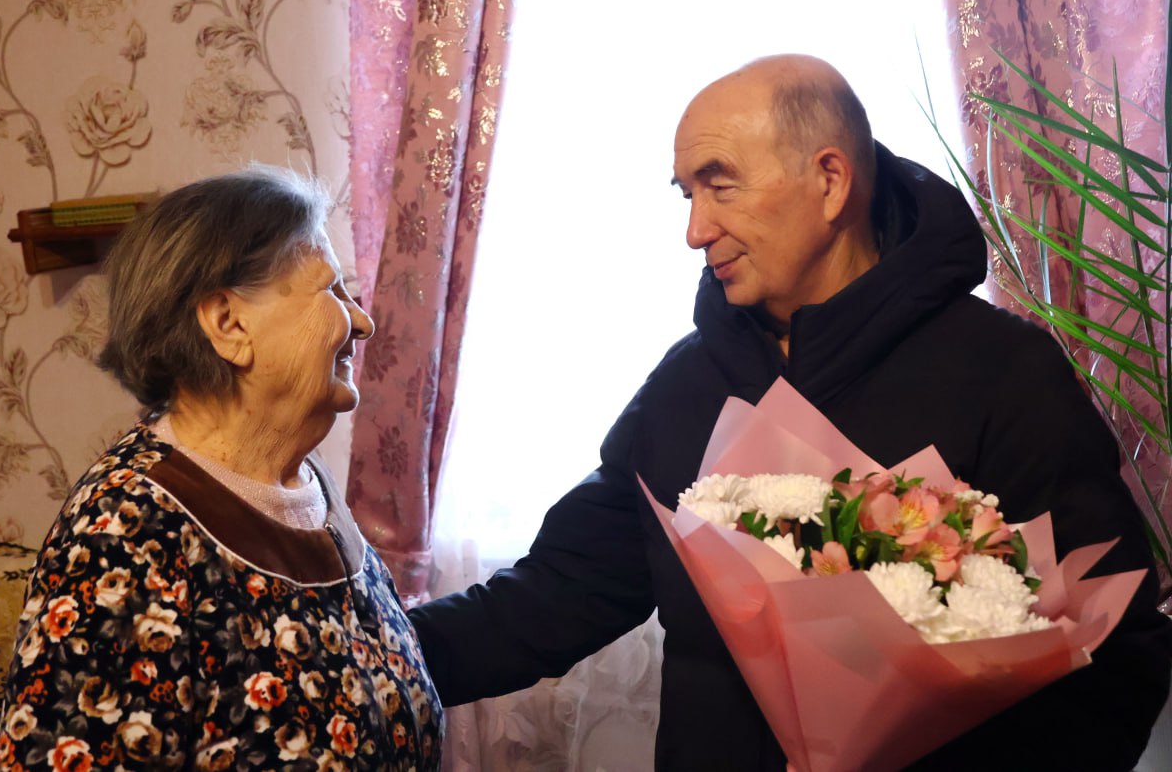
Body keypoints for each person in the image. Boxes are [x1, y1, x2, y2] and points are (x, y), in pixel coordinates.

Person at [409, 55, 1172, 769]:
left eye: (721, 185)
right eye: (687, 194)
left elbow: (1118, 659)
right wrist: (373, 648)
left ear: (830, 181)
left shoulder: (1005, 372)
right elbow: (554, 595)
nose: (695, 230)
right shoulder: (685, 385)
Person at [0, 167, 442, 771]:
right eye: (333, 292)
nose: (361, 322)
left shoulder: (306, 484)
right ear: (228, 324)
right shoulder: (123, 533)